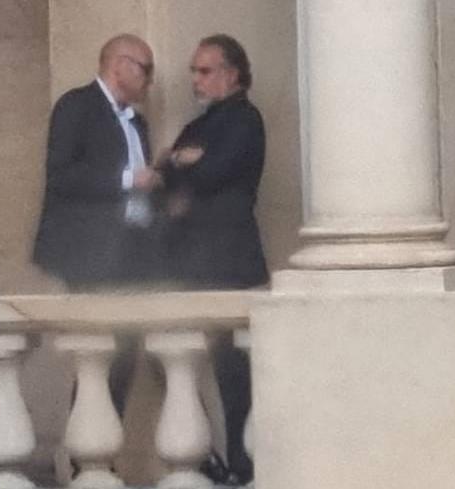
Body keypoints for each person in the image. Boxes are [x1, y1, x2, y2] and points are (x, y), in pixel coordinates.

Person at [156, 34, 268, 484]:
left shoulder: (245, 120)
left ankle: (244, 465)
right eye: (194, 71)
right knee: (170, 359)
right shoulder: (199, 127)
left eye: (205, 71)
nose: (196, 80)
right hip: (187, 262)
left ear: (232, 74)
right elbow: (166, 175)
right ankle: (203, 459)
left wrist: (183, 165)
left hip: (227, 262)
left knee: (233, 372)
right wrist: (181, 162)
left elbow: (213, 174)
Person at [32, 34, 160, 423]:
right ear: (120, 65)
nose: (150, 81)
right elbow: (62, 176)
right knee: (99, 355)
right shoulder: (77, 106)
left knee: (125, 354)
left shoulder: (138, 123)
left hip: (129, 253)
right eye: (146, 69)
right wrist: (129, 179)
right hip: (88, 253)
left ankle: (100, 443)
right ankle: (85, 448)